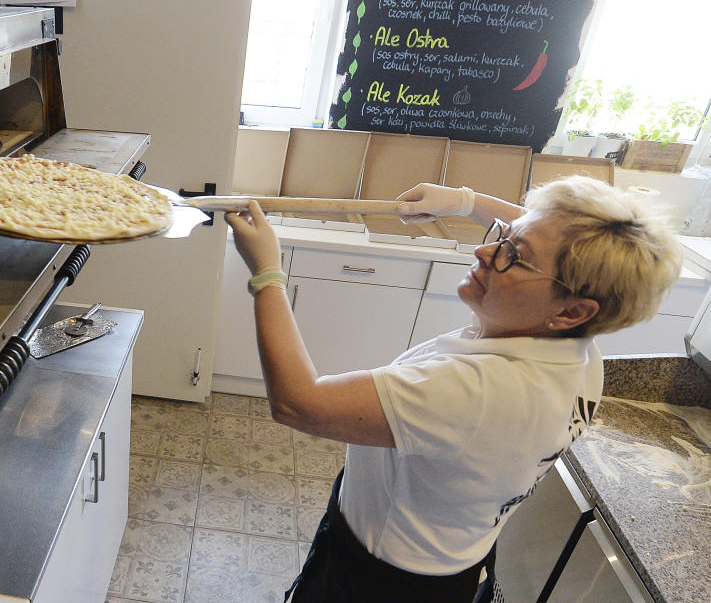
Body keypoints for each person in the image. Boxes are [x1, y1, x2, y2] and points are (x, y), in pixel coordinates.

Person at [223, 175, 682, 603]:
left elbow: (299, 404)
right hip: (457, 562)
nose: (486, 254)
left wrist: (267, 272)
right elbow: (546, 239)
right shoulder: (580, 348)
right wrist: (466, 202)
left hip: (379, 580)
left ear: (572, 312)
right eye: (504, 236)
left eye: (513, 256)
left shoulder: (478, 392)